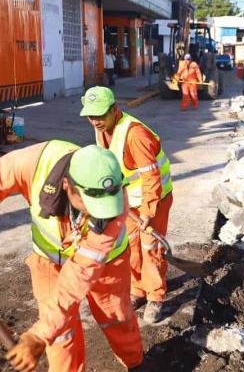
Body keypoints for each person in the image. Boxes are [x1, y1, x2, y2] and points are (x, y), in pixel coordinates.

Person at [0, 142, 143, 372]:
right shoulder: (32, 163)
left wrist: (38, 336)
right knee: (60, 334)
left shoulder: (114, 206)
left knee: (116, 317)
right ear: (67, 185)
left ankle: (136, 364)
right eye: (90, 204)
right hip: (49, 261)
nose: (97, 213)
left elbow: (80, 275)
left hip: (107, 263)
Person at [79, 86, 173, 323]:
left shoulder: (135, 135)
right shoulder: (102, 131)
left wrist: (149, 213)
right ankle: (138, 290)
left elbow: (151, 179)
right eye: (91, 116)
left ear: (114, 109)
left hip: (155, 199)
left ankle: (155, 296)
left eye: (100, 115)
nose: (95, 121)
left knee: (150, 248)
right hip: (129, 203)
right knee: (130, 247)